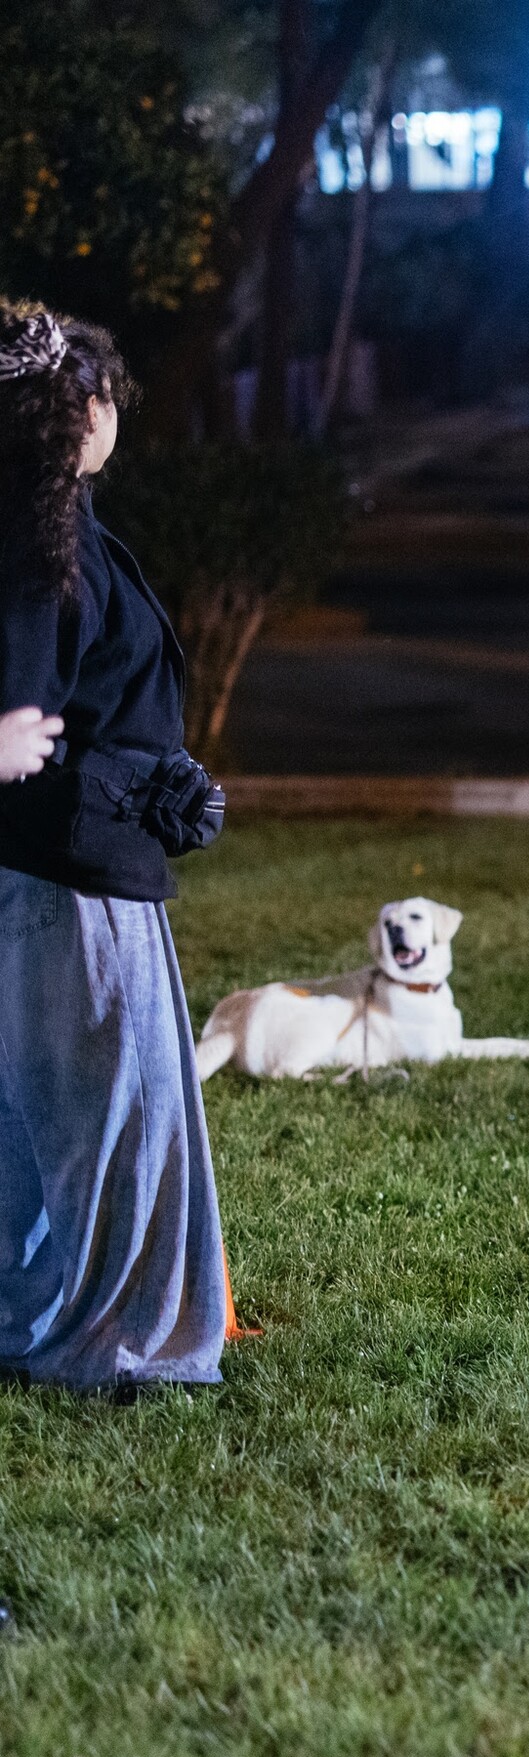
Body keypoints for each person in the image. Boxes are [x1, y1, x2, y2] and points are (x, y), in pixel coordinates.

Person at [0, 301, 231, 1390]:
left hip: (56, 865)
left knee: (33, 1116)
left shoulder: (49, 528)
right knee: (114, 1122)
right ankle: (118, 1343)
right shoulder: (40, 545)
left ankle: (34, 1319)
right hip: (69, 881)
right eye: (105, 396)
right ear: (77, 410)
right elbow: (32, 698)